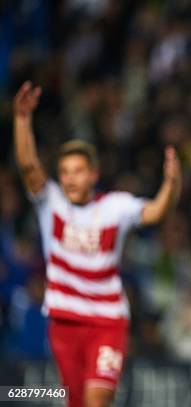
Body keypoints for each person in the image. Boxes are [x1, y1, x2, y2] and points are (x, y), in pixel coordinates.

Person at [13, 81, 182, 407]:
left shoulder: (115, 207)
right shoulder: (52, 204)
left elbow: (157, 211)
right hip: (63, 322)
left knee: (97, 400)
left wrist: (172, 184)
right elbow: (29, 167)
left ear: (93, 174)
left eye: (77, 171)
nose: (70, 178)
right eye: (64, 172)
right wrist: (22, 119)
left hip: (106, 321)